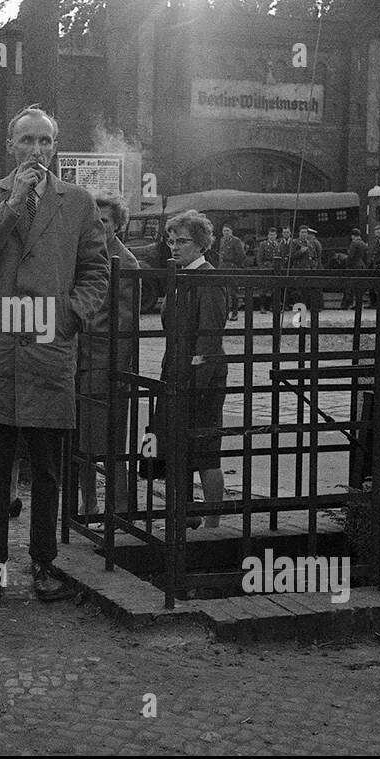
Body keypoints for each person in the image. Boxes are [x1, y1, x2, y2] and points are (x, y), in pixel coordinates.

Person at [0, 104, 108, 611]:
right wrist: (14, 201)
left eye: (44, 142)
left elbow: (96, 272)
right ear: (10, 146)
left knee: (47, 471)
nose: (36, 151)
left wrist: (67, 317)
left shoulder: (79, 202)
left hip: (47, 353)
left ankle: (44, 564)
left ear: (55, 147)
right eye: (26, 142)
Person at [162, 209, 227, 529]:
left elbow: (210, 339)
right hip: (177, 375)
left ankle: (214, 523)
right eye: (171, 241)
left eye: (182, 241)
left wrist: (197, 384)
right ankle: (188, 516)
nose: (174, 247)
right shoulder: (183, 276)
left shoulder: (208, 279)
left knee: (205, 452)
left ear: (201, 245)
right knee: (180, 449)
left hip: (201, 380)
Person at [78, 190, 139, 522]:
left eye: (105, 221)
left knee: (111, 446)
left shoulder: (125, 263)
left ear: (118, 225)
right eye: (94, 221)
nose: (99, 227)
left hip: (104, 368)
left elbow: (125, 329)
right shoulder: (87, 257)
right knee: (80, 447)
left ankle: (121, 510)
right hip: (79, 364)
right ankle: (89, 506)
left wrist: (112, 372)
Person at [288, 224, 322, 313]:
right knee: (299, 290)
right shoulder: (295, 242)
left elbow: (314, 256)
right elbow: (292, 256)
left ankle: (309, 306)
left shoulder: (310, 243)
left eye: (305, 232)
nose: (304, 234)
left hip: (309, 268)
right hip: (299, 268)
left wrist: (314, 266)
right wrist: (300, 251)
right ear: (299, 233)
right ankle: (300, 307)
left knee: (308, 289)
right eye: (302, 232)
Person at [215, 223, 246, 321]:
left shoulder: (236, 241)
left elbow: (241, 255)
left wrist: (235, 265)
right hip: (222, 268)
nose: (226, 233)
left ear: (231, 231)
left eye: (227, 231)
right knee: (224, 291)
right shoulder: (222, 240)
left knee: (233, 292)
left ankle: (235, 313)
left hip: (232, 267)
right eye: (224, 231)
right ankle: (225, 313)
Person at [340, 227, 369, 309]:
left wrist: (347, 264)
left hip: (353, 266)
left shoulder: (354, 243)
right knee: (359, 287)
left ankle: (347, 303)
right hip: (361, 266)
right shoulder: (363, 243)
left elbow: (351, 257)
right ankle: (358, 304)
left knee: (349, 286)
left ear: (353, 236)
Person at [254, 226, 279, 312]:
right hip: (265, 268)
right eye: (270, 234)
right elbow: (259, 258)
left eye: (273, 235)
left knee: (274, 288)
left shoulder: (278, 245)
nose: (272, 236)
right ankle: (262, 306)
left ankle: (273, 306)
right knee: (264, 288)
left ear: (276, 236)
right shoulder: (263, 244)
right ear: (268, 235)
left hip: (275, 269)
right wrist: (262, 268)